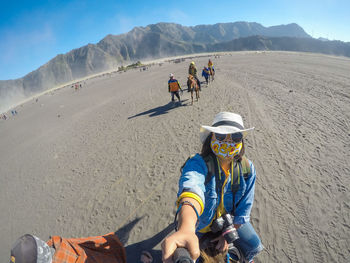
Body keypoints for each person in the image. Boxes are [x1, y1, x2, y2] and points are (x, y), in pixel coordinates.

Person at [162, 112, 263, 263]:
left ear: (241, 140)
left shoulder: (247, 169)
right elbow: (192, 189)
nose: (228, 141)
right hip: (200, 226)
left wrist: (227, 236)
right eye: (221, 136)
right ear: (212, 137)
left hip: (230, 222)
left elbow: (244, 210)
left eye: (235, 136)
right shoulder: (198, 164)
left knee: (254, 246)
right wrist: (186, 228)